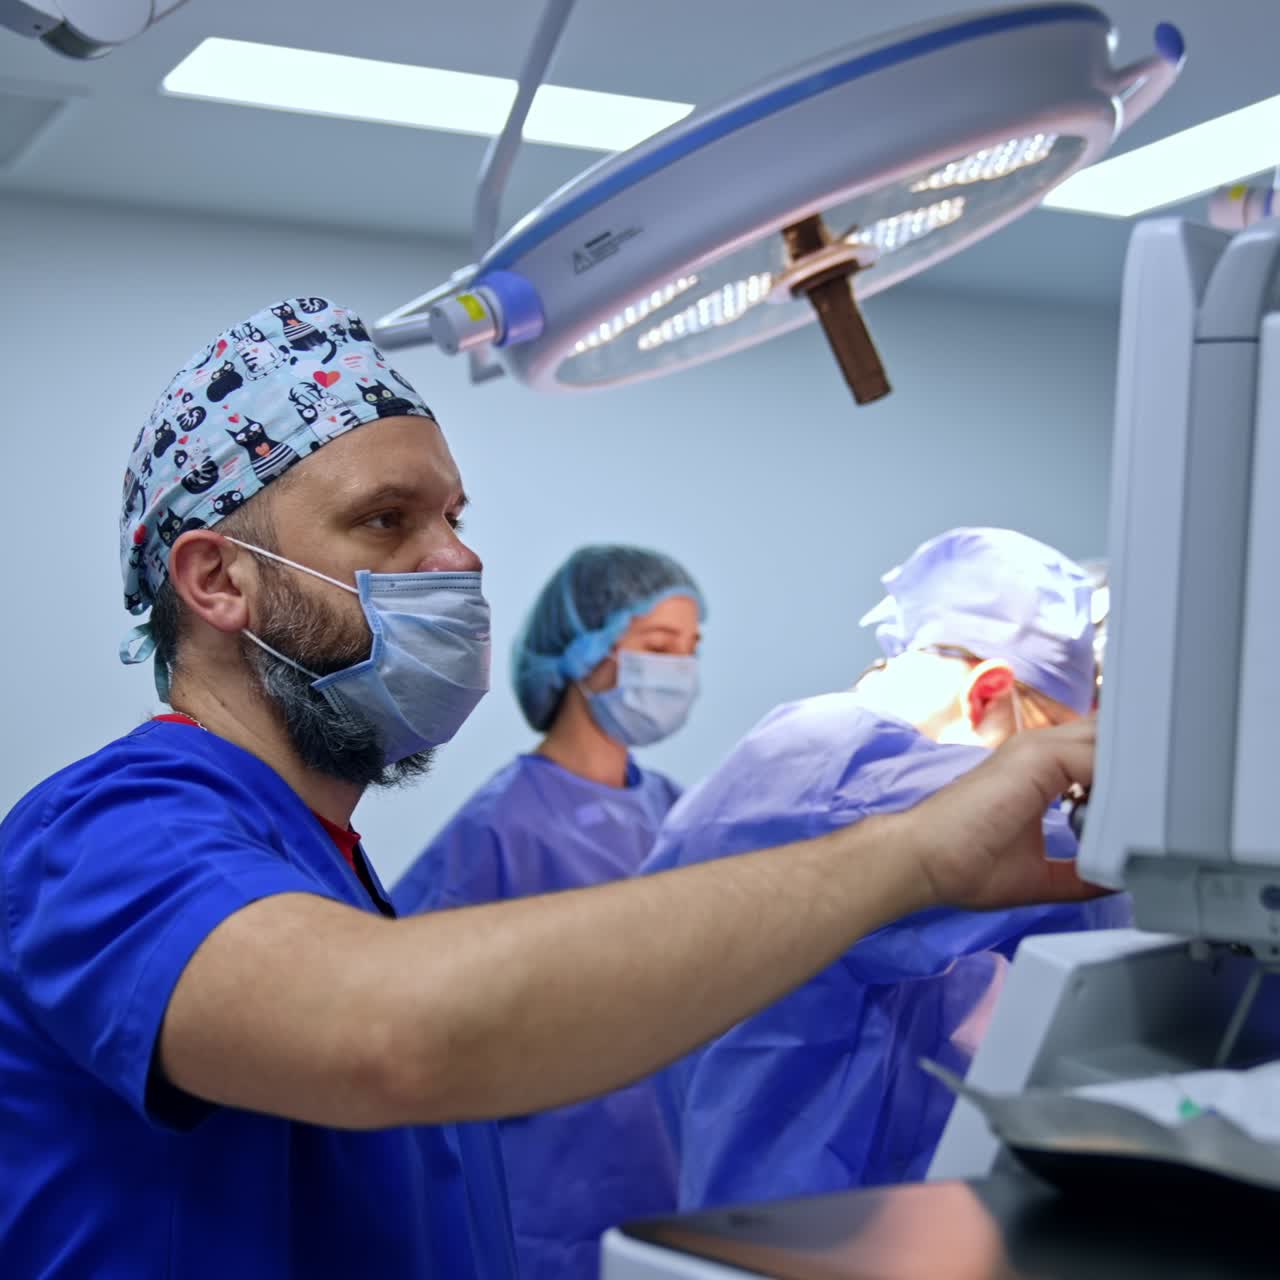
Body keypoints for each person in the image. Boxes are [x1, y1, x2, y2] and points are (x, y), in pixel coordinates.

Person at [0, 299, 1105, 1280]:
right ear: (216, 580)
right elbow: (394, 1032)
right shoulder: (104, 829)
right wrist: (912, 854)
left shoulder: (317, 860)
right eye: (388, 520)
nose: (460, 559)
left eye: (455, 516)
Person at [642, 527, 1131, 1210]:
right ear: (990, 694)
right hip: (811, 1224)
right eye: (1043, 755)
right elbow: (1115, 870)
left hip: (762, 1207)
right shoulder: (861, 783)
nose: (1048, 795)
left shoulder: (793, 753)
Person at [394, 545, 704, 1280]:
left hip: (667, 1177)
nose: (682, 671)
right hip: (545, 1195)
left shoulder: (677, 811)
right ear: (584, 652)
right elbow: (413, 1014)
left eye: (692, 650)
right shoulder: (502, 825)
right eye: (659, 647)